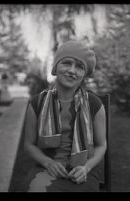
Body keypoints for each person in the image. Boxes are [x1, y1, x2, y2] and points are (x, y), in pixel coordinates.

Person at [24, 40, 107, 192]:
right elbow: (29, 144)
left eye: (80, 67)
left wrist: (86, 168)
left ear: (84, 74)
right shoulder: (36, 103)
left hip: (83, 170)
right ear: (55, 67)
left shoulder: (94, 104)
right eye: (66, 63)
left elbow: (101, 145)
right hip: (48, 167)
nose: (72, 71)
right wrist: (48, 162)